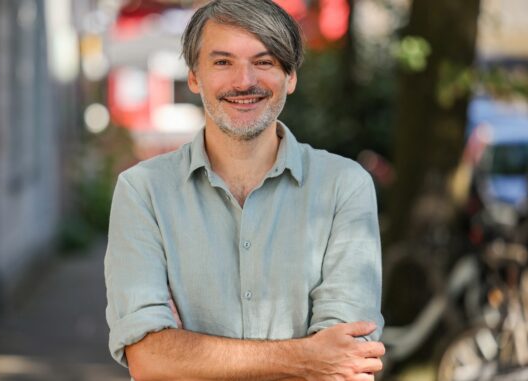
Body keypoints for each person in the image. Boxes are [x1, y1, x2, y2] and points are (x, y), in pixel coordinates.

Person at [105, 1, 385, 380]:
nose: (243, 81)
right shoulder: (143, 192)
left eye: (265, 61)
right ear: (193, 76)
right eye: (222, 62)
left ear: (290, 77)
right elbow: (150, 359)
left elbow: (347, 361)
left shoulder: (344, 187)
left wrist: (187, 353)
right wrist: (307, 357)